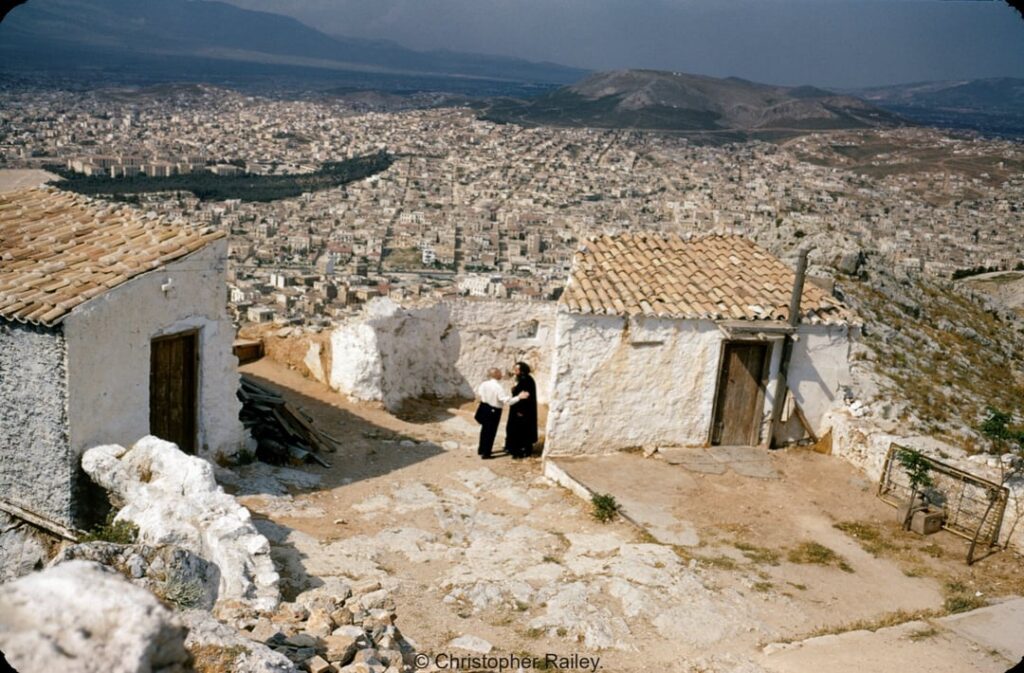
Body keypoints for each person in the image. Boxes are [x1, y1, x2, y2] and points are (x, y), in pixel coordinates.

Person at [475, 368, 528, 460]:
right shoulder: (497, 387)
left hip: (484, 407)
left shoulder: (484, 384)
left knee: (484, 430)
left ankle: (481, 449)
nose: (501, 374)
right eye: (500, 372)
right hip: (493, 411)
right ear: (496, 374)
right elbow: (507, 401)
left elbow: (480, 394)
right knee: (491, 432)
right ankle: (486, 453)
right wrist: (519, 397)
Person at [504, 362, 538, 459]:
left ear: (522, 371)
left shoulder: (526, 380)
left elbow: (525, 397)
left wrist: (521, 411)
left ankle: (519, 451)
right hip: (517, 409)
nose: (515, 372)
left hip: (522, 411)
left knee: (520, 431)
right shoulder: (522, 379)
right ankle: (513, 448)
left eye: (517, 370)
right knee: (514, 429)